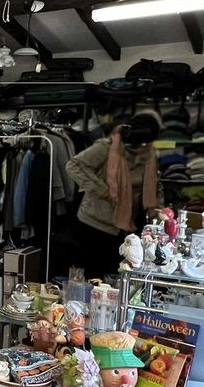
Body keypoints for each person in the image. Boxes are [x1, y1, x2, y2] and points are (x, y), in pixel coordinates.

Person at [66, 114, 163, 278]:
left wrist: (158, 209)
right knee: (94, 277)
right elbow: (74, 166)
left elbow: (155, 183)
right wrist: (102, 189)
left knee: (118, 275)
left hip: (128, 226)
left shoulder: (150, 155)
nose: (138, 148)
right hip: (96, 222)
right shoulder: (107, 147)